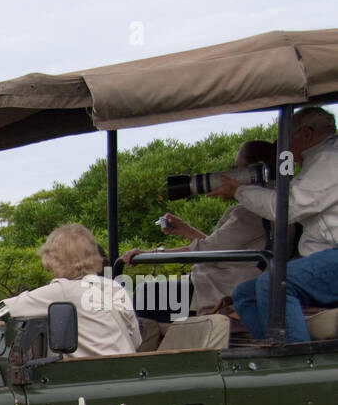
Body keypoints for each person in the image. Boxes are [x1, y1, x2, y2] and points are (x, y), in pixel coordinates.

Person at [215, 106, 338, 343]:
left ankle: (296, 366)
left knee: (274, 284)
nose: (285, 147)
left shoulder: (328, 160)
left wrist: (239, 190)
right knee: (245, 294)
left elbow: (286, 207)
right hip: (327, 255)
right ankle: (272, 352)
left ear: (306, 134)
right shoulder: (319, 160)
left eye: (286, 138)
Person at [122, 140, 277, 316]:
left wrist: (147, 254)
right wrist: (187, 231)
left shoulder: (253, 211)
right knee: (154, 294)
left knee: (147, 293)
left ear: (253, 171)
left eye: (236, 169)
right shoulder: (271, 203)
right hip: (231, 281)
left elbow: (209, 250)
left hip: (220, 287)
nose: (231, 176)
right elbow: (219, 248)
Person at [2, 224, 141, 358]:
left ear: (55, 259)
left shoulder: (62, 291)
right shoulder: (114, 287)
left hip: (86, 376)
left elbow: (3, 311)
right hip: (126, 372)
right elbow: (136, 341)